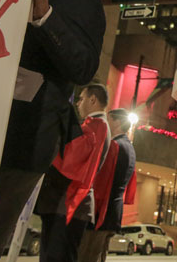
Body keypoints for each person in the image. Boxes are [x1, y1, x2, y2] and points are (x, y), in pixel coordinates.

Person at [0, 0, 106, 262]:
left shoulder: (81, 2)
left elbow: (82, 67)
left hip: (22, 136)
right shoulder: (6, 0)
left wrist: (44, 16)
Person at [37, 84, 111, 262]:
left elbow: (72, 161)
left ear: (93, 100)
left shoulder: (97, 126)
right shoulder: (95, 126)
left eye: (82, 98)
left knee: (57, 256)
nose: (78, 103)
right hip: (66, 203)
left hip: (69, 203)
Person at [77, 108, 137, 262]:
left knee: (87, 255)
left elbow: (101, 182)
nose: (106, 124)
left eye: (108, 120)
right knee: (99, 255)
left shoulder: (114, 146)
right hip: (113, 212)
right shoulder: (129, 147)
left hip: (101, 212)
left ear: (117, 122)